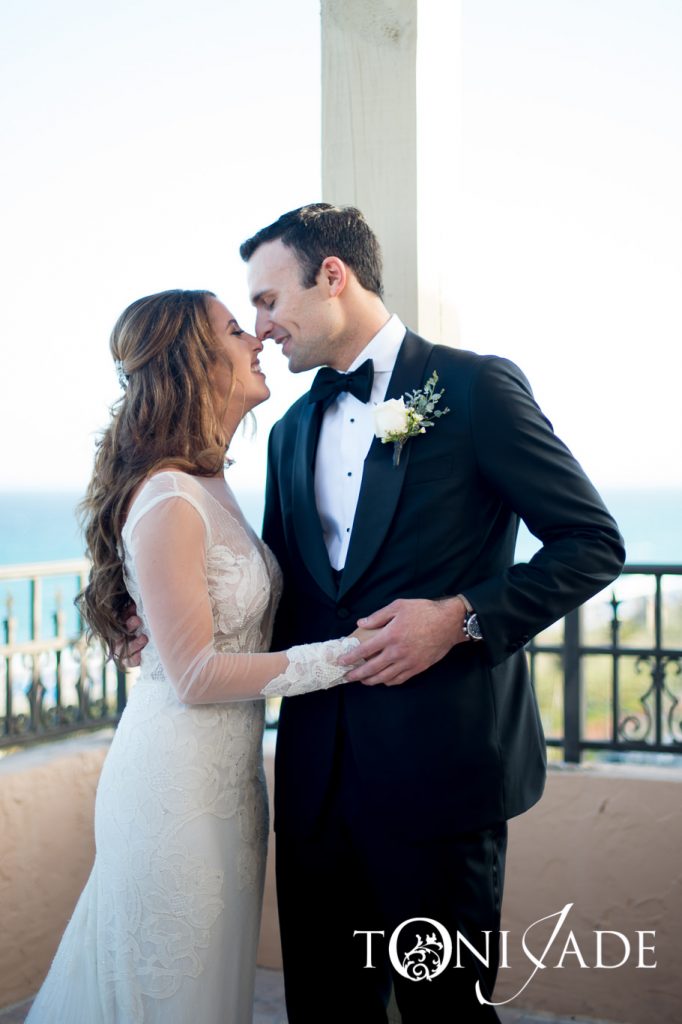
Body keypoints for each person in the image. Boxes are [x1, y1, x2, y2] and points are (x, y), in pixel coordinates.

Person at [239, 203, 626, 1023]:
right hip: (315, 782)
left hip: (441, 781)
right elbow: (285, 595)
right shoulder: (290, 428)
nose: (260, 325)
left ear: (333, 276)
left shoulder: (475, 386)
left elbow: (591, 542)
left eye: (270, 300)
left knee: (448, 1013)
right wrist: (167, 629)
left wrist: (461, 617)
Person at [26, 288, 369, 1024]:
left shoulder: (211, 481)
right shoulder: (169, 498)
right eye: (237, 329)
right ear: (194, 361)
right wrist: (352, 656)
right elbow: (197, 674)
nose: (259, 341)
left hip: (232, 795)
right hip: (171, 798)